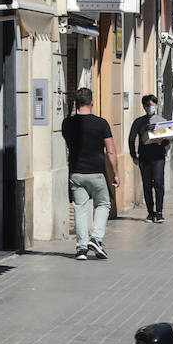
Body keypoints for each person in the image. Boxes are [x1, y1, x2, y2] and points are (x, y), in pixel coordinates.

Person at [60, 88, 120, 260]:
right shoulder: (101, 123)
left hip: (76, 173)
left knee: (80, 209)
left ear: (75, 104)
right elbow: (110, 151)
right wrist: (115, 173)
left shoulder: (67, 123)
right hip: (97, 172)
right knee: (103, 204)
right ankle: (96, 238)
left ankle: (81, 249)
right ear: (92, 102)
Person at [128, 94, 168, 223]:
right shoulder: (139, 122)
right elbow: (131, 138)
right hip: (144, 157)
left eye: (151, 105)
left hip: (158, 157)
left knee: (158, 183)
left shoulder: (162, 121)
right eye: (146, 105)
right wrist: (133, 155)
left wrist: (161, 141)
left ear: (156, 105)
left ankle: (159, 212)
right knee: (147, 185)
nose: (149, 108)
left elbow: (168, 139)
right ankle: (150, 213)